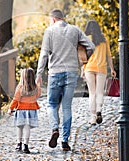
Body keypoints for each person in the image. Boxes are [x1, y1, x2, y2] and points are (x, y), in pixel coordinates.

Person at [36, 9, 95, 151]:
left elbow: (44, 55)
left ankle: (54, 128)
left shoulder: (49, 31)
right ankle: (64, 141)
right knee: (67, 107)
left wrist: (38, 74)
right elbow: (91, 47)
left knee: (52, 104)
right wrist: (83, 61)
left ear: (54, 19)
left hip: (55, 73)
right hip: (71, 73)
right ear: (63, 18)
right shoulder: (75, 30)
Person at [82, 20, 116, 125]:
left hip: (89, 68)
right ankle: (99, 110)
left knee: (92, 93)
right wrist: (112, 69)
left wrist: (83, 70)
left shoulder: (86, 39)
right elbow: (108, 56)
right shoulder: (104, 39)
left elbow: (84, 57)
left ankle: (93, 118)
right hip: (101, 68)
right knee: (99, 92)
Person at [7, 68, 41, 154]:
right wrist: (39, 85)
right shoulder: (35, 87)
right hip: (31, 110)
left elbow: (15, 99)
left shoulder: (20, 87)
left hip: (21, 110)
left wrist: (11, 108)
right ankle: (26, 145)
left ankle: (19, 143)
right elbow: (38, 96)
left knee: (19, 127)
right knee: (27, 128)